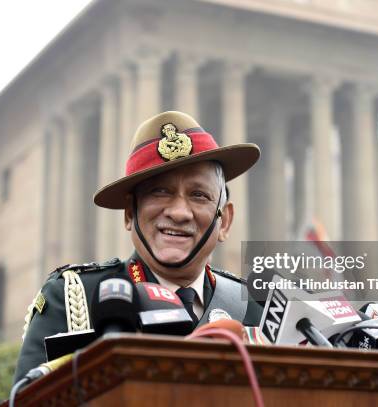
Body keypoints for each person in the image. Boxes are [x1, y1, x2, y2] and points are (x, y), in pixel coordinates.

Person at [14, 111, 263, 382]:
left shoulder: (254, 306)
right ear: (129, 214)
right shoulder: (75, 297)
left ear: (224, 220)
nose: (179, 212)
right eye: (160, 192)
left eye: (198, 195)